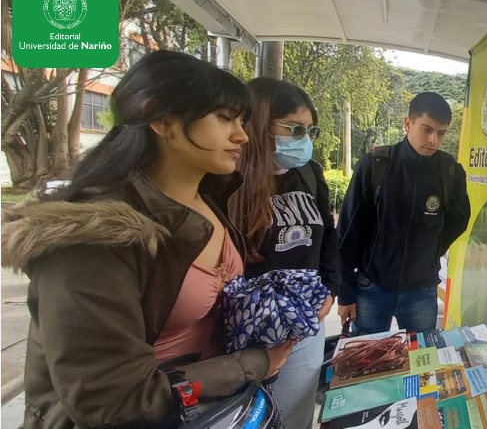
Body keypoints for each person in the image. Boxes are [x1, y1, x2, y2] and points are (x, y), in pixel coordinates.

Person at [0, 51, 293, 428]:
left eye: (241, 121)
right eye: (224, 118)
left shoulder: (209, 201)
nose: (241, 135)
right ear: (160, 117)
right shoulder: (92, 236)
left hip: (213, 412)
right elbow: (111, 399)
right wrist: (252, 364)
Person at [228, 77, 340, 429]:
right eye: (293, 128)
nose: (302, 140)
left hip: (305, 328)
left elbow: (328, 235)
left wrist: (331, 288)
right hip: (248, 337)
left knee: (296, 416)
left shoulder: (309, 174)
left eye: (309, 130)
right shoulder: (228, 180)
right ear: (258, 124)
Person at [337, 92, 471, 334]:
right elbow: (348, 231)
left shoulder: (450, 172)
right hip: (372, 287)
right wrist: (345, 291)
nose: (433, 140)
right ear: (408, 123)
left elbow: (459, 220)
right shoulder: (375, 166)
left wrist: (431, 252)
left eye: (441, 133)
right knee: (368, 365)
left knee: (422, 364)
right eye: (427, 129)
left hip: (421, 292)